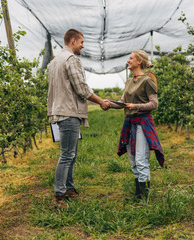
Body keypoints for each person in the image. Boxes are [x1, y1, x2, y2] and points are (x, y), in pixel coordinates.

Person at [47, 29, 110, 209]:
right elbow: (81, 88)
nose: (83, 46)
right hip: (69, 112)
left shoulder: (54, 62)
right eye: (81, 42)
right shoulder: (71, 60)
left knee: (70, 154)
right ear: (73, 41)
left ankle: (69, 188)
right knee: (67, 154)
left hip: (60, 111)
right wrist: (100, 102)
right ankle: (60, 195)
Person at [108, 50, 164, 200]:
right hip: (130, 123)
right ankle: (138, 195)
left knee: (140, 159)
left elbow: (154, 104)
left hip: (142, 123)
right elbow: (123, 102)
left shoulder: (147, 81)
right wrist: (108, 104)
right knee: (133, 160)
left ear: (139, 61)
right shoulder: (128, 81)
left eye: (131, 58)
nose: (128, 61)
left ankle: (145, 198)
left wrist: (136, 106)